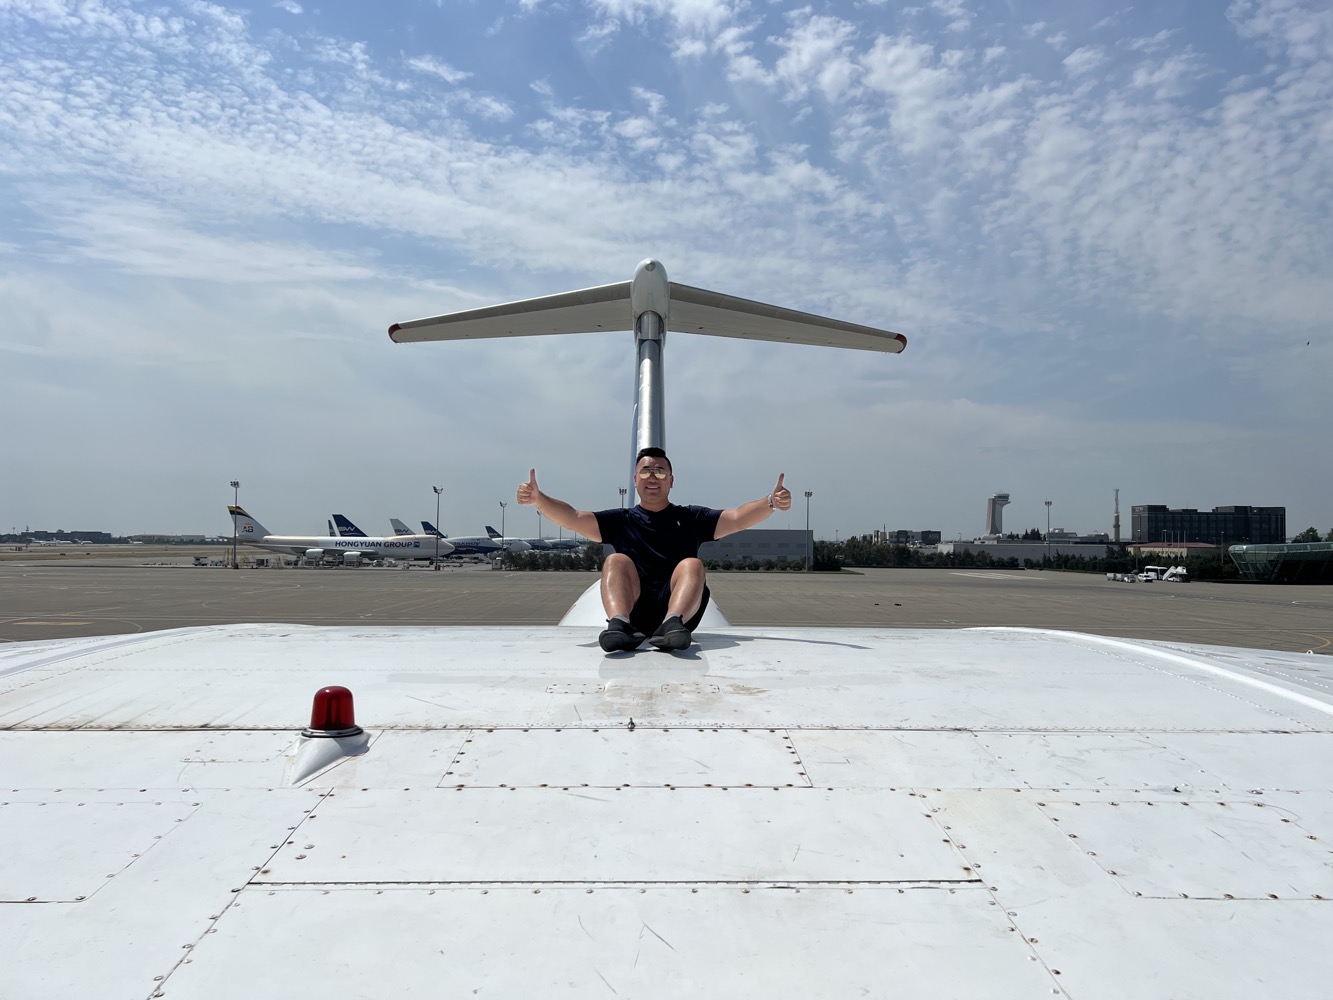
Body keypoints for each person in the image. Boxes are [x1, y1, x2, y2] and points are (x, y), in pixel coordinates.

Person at [516, 447, 793, 651]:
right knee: (615, 561)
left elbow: (737, 517)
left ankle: (672, 624)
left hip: (680, 616)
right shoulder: (621, 521)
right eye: (646, 471)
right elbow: (573, 517)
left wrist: (770, 502)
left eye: (660, 471)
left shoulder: (691, 518)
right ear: (635, 479)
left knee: (692, 564)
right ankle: (619, 625)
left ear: (671, 480)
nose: (653, 477)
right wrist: (539, 500)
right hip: (635, 607)